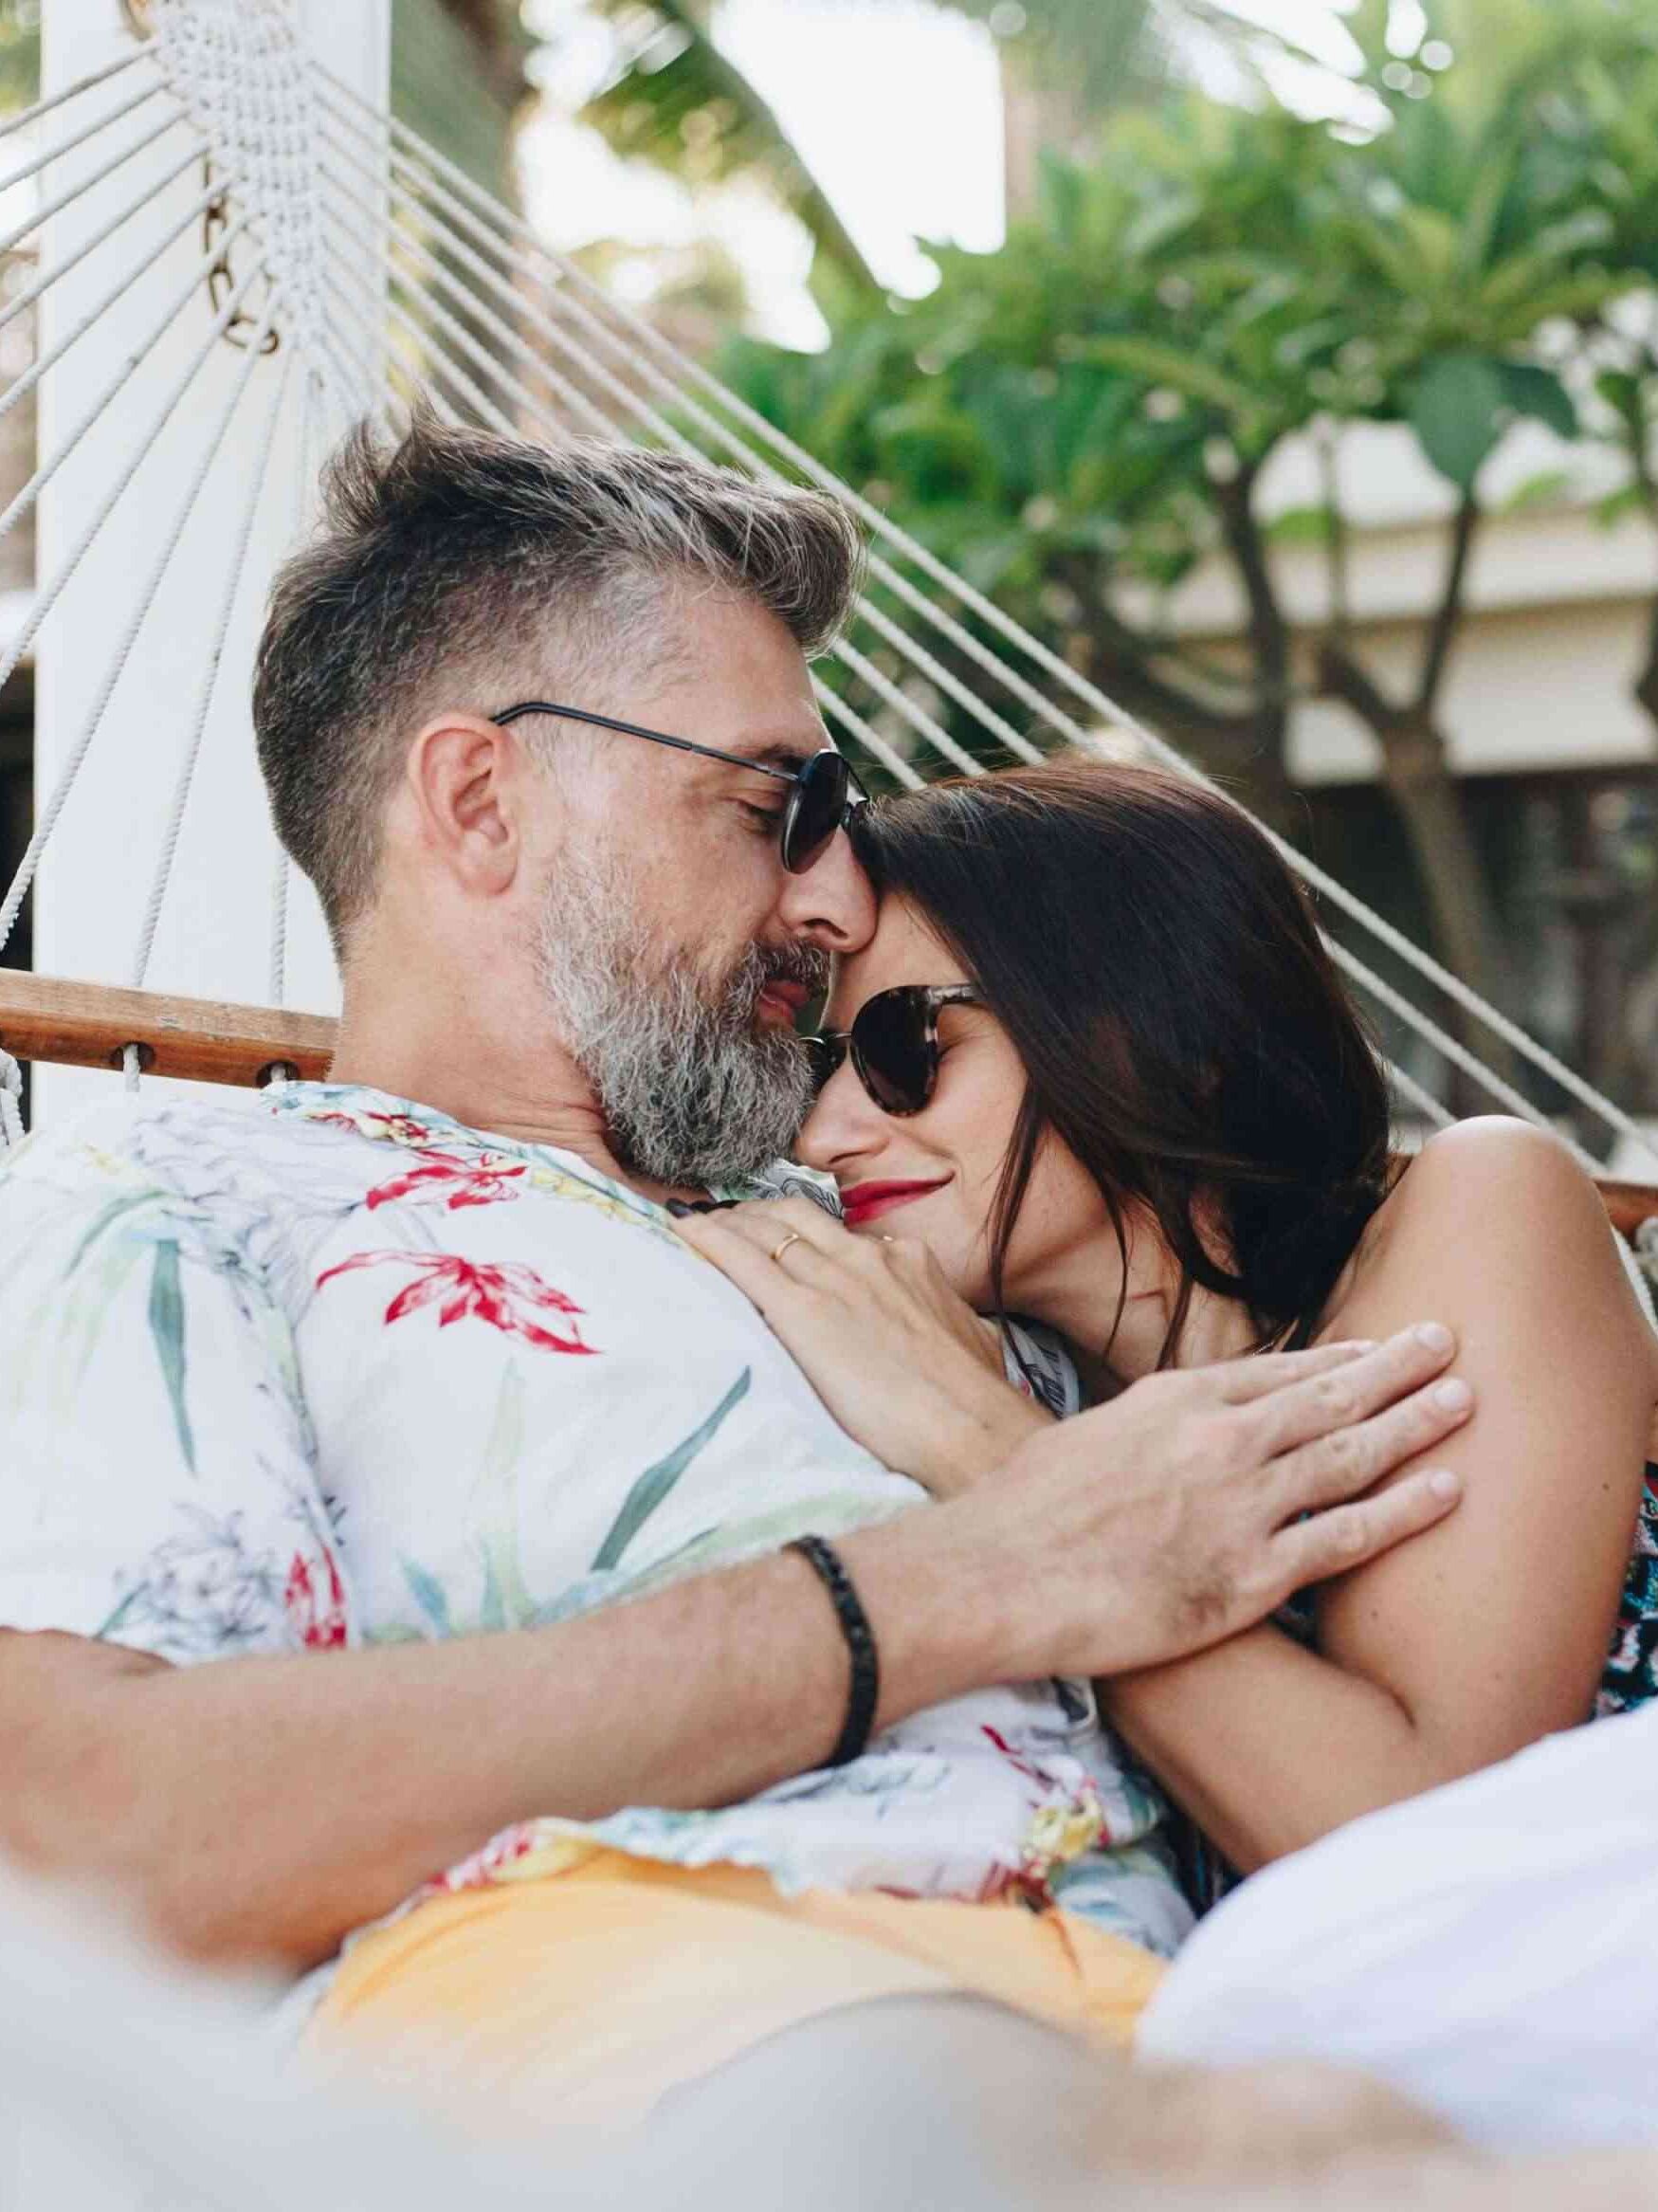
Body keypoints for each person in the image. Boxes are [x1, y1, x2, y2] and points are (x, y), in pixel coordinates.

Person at [0, 424, 1471, 2148]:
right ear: (481, 802)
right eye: (779, 801)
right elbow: (84, 1828)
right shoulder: (181, 1204)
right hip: (661, 2016)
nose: (842, 889)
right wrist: (969, 1575)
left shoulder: (902, 1216)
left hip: (1177, 2030)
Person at [679, 758, 1658, 1889]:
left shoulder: (1483, 1201)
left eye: (905, 1050)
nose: (826, 1134)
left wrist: (982, 1448)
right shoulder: (1051, 1388)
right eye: (823, 1069)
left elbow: (1428, 1863)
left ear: (1150, 1023)